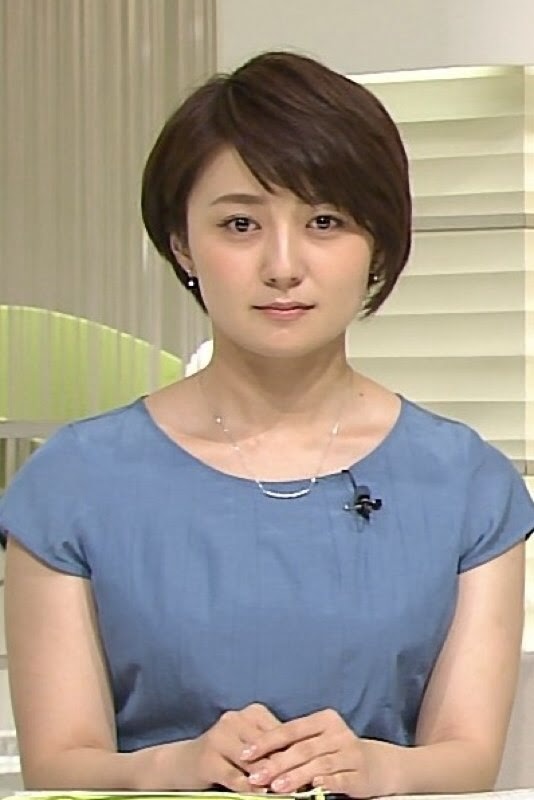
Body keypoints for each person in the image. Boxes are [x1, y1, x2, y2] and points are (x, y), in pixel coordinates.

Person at [1, 50, 533, 798]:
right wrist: (173, 767)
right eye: (241, 224)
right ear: (182, 243)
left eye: (324, 221)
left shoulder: (466, 483)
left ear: (378, 243)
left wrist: (377, 765)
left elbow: (467, 757)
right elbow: (59, 764)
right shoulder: (73, 481)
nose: (283, 266)